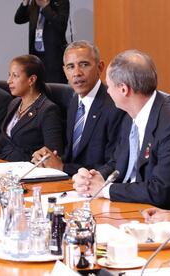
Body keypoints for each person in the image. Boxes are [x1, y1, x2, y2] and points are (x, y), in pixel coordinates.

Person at [73, 50, 170, 209]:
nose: (107, 91)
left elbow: (160, 191)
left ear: (123, 89)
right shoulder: (129, 115)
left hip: (155, 214)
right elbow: (117, 161)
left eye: (109, 85)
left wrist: (105, 190)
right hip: (124, 206)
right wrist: (95, 177)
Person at [31, 41, 125, 176]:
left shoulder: (115, 107)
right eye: (70, 67)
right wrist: (48, 159)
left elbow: (114, 166)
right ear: (64, 71)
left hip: (95, 186)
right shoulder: (75, 101)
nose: (77, 73)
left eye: (84, 64)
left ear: (100, 67)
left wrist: (63, 168)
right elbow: (72, 156)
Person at [0, 54, 63, 161]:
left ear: (31, 80)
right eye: (9, 75)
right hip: (2, 163)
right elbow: (2, 141)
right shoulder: (14, 103)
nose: (9, 81)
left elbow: (53, 153)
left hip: (25, 169)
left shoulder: (48, 110)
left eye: (15, 76)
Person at [14, 0, 69, 83]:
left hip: (53, 58)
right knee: (38, 88)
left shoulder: (60, 2)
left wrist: (45, 7)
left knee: (54, 90)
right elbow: (18, 19)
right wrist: (25, 3)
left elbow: (61, 25)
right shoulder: (35, 4)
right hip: (36, 56)